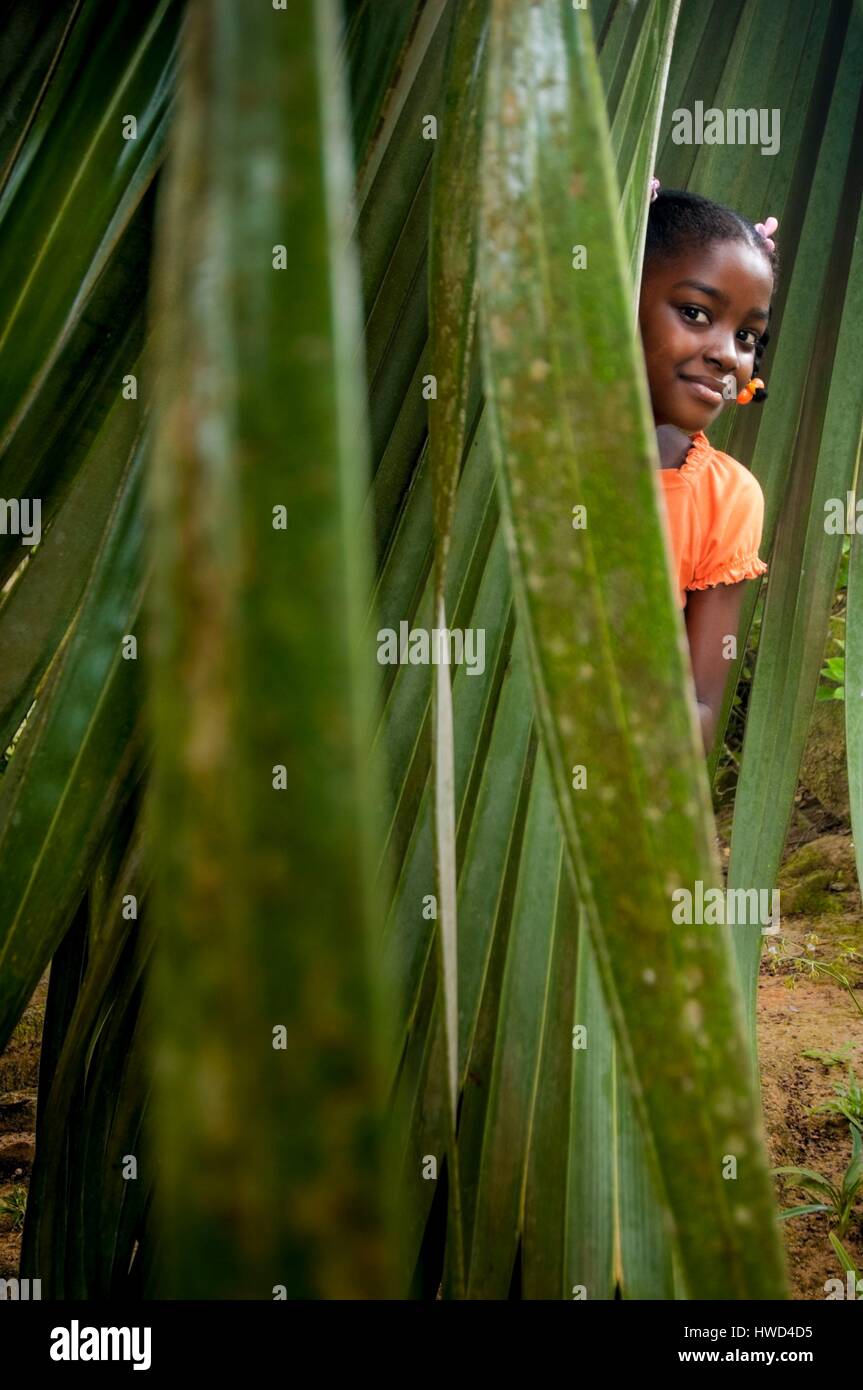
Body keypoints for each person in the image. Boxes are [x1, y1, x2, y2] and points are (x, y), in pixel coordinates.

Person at [639, 183, 775, 755]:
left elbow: (700, 711)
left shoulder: (728, 497)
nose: (728, 355)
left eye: (747, 336)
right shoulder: (530, 440)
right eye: (695, 313)